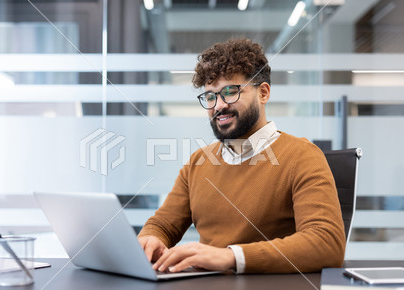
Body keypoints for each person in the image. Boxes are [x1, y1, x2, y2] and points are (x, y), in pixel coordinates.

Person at [137, 38, 345, 274]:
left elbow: (326, 244)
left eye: (230, 92)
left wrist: (231, 257)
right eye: (210, 96)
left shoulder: (302, 156)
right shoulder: (198, 162)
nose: (218, 106)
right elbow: (163, 224)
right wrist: (150, 238)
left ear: (263, 93)